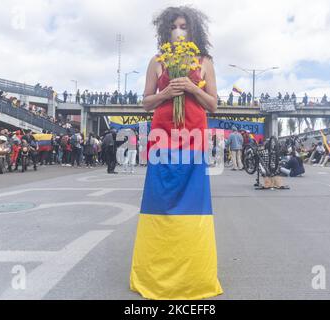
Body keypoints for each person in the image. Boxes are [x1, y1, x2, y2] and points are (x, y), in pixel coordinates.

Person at [130, 6, 223, 300]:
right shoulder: (157, 61)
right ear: (166, 31)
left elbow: (213, 105)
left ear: (193, 30)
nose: (179, 32)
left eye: (184, 26)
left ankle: (193, 274)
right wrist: (166, 93)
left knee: (193, 203)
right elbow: (146, 103)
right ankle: (157, 273)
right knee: (161, 200)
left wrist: (193, 89)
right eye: (174, 27)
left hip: (194, 137)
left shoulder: (205, 61)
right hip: (162, 137)